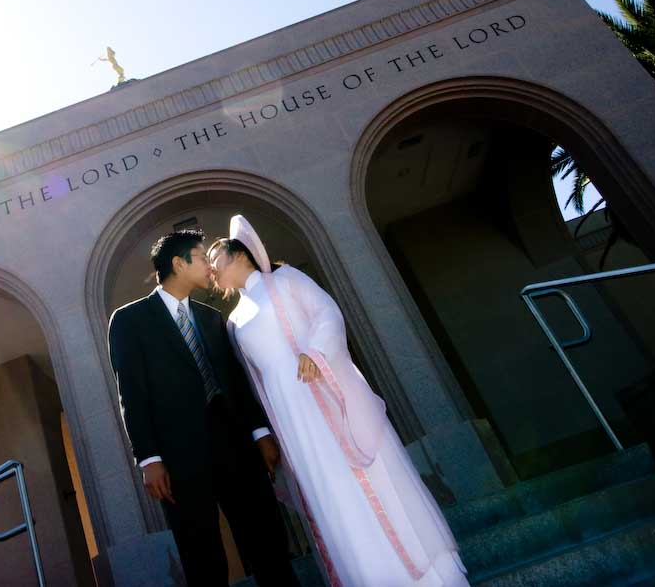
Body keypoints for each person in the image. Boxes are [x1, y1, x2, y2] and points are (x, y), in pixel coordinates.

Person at [208, 215, 469, 587]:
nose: (212, 272)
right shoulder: (233, 321)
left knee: (363, 479)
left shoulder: (284, 280)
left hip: (323, 395)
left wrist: (315, 352)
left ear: (237, 256)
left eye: (216, 260)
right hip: (291, 418)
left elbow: (327, 313)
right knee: (329, 493)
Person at [108, 229, 299, 587]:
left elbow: (237, 383)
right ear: (178, 264)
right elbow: (131, 393)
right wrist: (148, 458)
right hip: (179, 460)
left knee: (268, 544)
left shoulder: (212, 317)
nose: (210, 267)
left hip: (238, 449)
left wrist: (260, 433)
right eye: (200, 257)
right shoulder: (129, 320)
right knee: (203, 560)